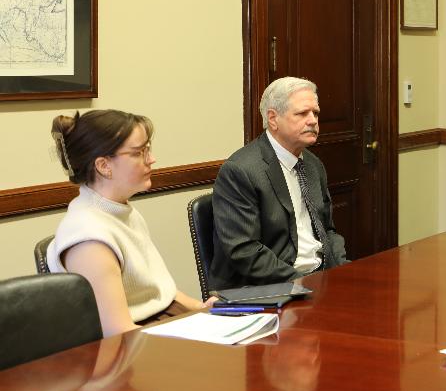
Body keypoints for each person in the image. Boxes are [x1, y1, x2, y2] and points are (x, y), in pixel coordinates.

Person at [47, 110, 213, 337]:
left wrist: (203, 309)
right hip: (134, 344)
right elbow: (120, 333)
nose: (151, 159)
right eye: (139, 152)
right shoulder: (89, 239)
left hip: (159, 328)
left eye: (148, 149)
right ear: (103, 166)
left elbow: (161, 291)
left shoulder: (122, 211)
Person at [210, 77, 347, 290]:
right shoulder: (241, 170)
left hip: (319, 277)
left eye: (315, 113)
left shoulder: (313, 164)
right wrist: (304, 283)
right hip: (270, 286)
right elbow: (244, 251)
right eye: (302, 113)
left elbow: (328, 230)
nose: (312, 120)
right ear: (273, 119)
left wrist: (343, 269)